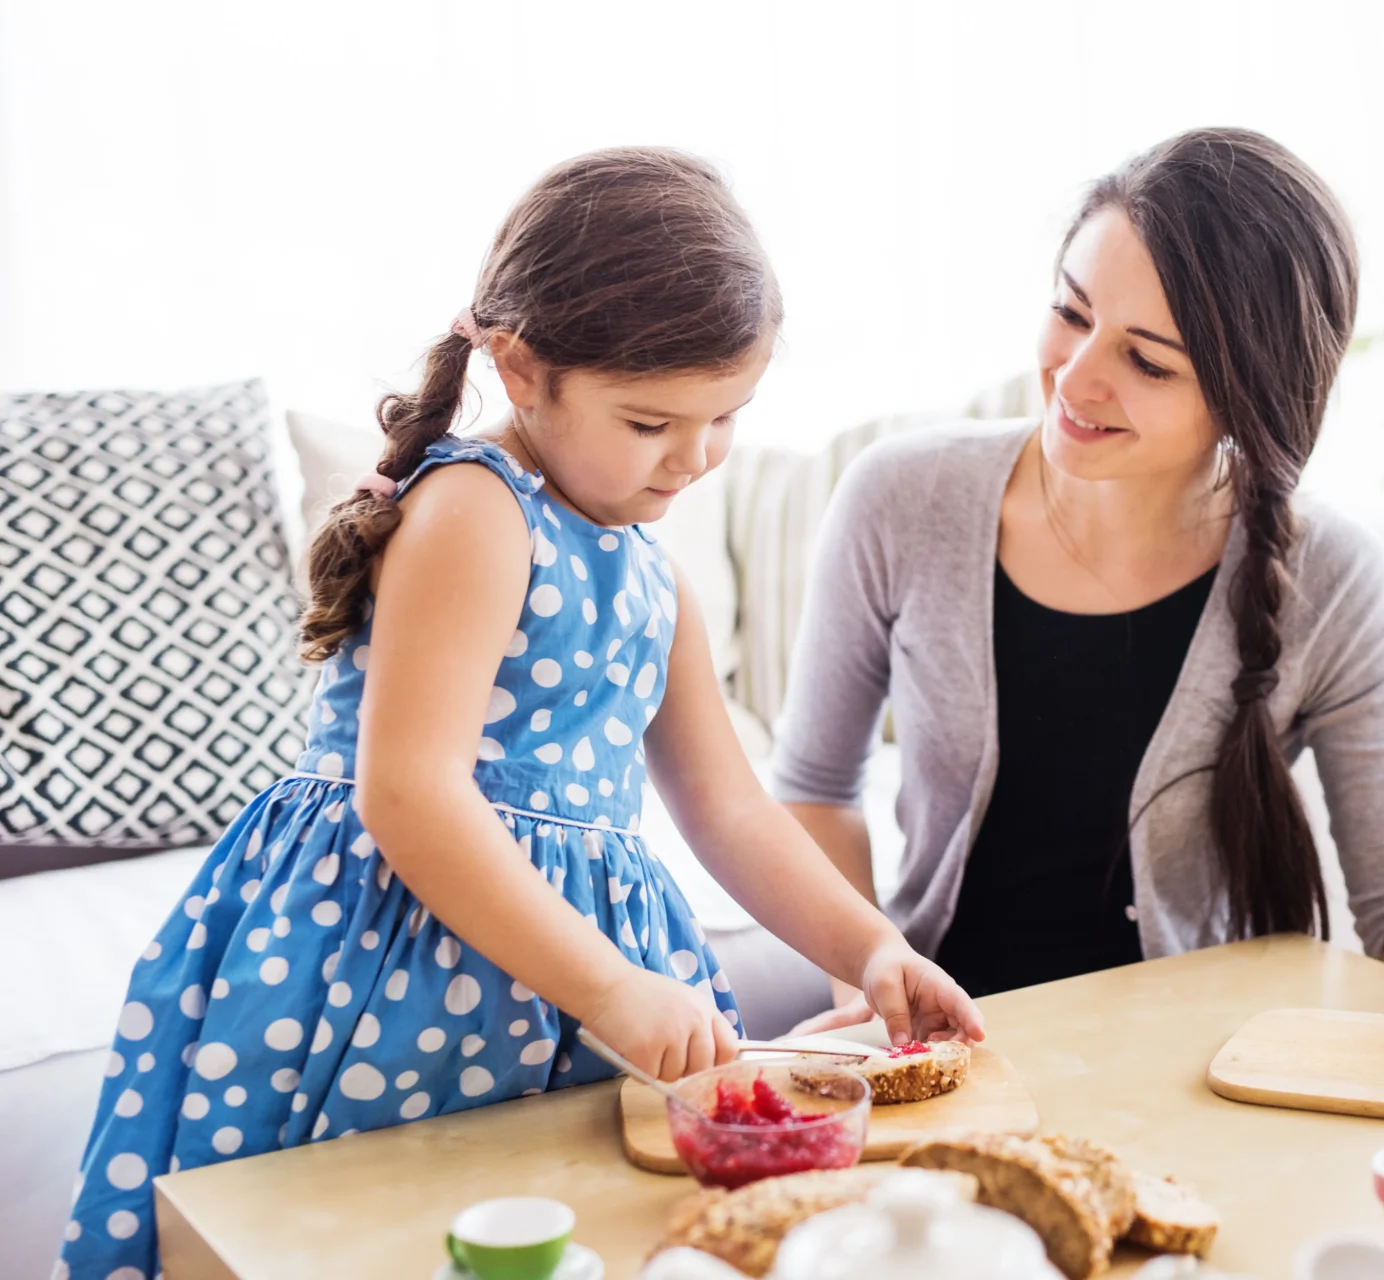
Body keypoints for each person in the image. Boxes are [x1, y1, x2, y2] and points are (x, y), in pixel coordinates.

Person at [59, 147, 981, 1280]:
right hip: (384, 960)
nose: (694, 457)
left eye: (726, 417)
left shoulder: (654, 572)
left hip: (568, 984)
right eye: (651, 422)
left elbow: (729, 808)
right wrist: (605, 984)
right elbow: (410, 792)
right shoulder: (476, 512)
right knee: (370, 1239)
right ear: (522, 365)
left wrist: (872, 946)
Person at [775, 128, 1384, 1082]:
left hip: (1201, 1064)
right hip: (952, 1053)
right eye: (1072, 313)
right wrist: (866, 987)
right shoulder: (900, 498)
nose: (1075, 379)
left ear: (1247, 397)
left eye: (1148, 362)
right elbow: (816, 787)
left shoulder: (1334, 581)